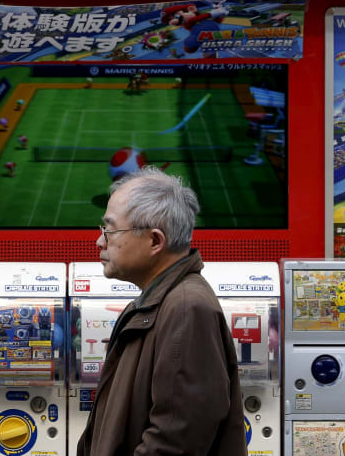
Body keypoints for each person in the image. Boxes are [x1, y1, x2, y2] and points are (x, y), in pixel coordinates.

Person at [77, 166, 246, 456]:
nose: (100, 241)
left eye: (110, 229)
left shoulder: (185, 308)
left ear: (155, 241)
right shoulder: (164, 300)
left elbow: (176, 439)